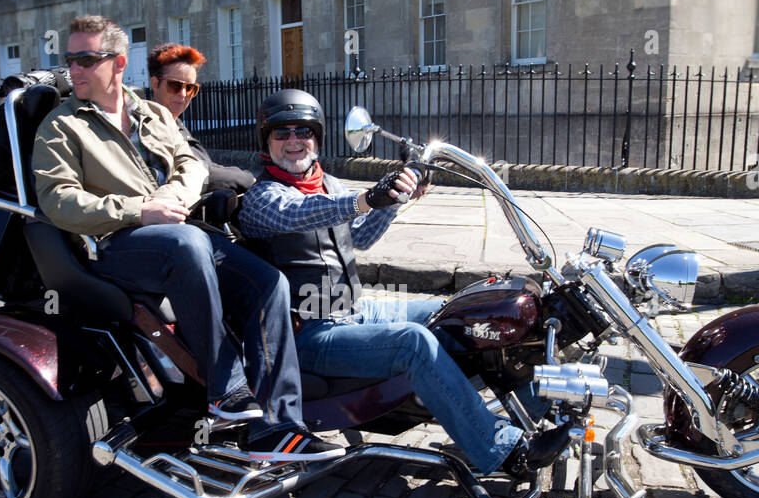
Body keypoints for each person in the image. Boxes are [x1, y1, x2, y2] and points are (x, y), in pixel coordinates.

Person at [32, 16, 341, 462]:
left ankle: (279, 426)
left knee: (268, 282)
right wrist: (141, 211)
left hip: (177, 233)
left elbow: (190, 163)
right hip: (116, 245)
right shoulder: (61, 126)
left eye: (85, 59)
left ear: (118, 64)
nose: (73, 69)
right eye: (70, 59)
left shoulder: (153, 114)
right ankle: (226, 389)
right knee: (189, 245)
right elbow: (56, 201)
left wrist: (171, 198)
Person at [237, 89, 573, 477]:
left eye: (303, 131)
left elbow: (359, 236)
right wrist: (366, 198)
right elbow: (301, 214)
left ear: (318, 136)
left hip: (352, 309)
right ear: (267, 140)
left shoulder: (327, 182)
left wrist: (397, 196)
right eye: (282, 133)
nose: (294, 141)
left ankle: (531, 409)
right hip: (307, 335)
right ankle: (502, 451)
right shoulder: (262, 196)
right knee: (413, 344)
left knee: (455, 311)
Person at [146, 42, 257, 196]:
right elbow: (203, 173)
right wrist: (249, 180)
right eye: (175, 85)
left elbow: (207, 165)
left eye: (190, 88)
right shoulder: (149, 128)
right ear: (155, 83)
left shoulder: (175, 123)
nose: (183, 94)